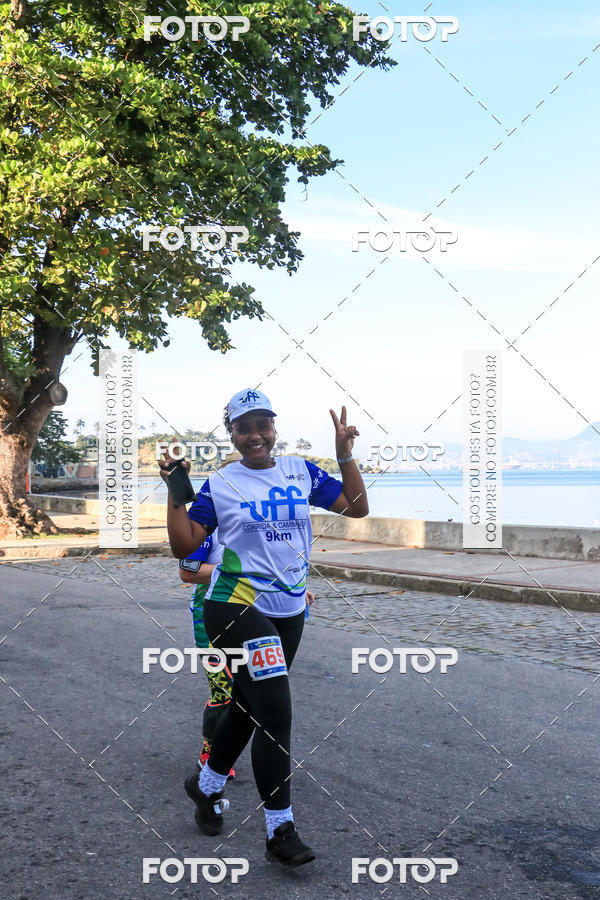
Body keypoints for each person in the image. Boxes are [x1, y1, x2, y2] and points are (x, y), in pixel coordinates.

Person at [160, 389, 368, 868]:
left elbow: (355, 507)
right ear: (231, 434)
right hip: (234, 605)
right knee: (276, 712)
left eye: (263, 425)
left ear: (274, 428)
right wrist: (175, 492)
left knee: (249, 705)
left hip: (289, 608)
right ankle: (280, 830)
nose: (255, 435)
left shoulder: (300, 471)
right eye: (244, 427)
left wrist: (344, 455)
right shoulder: (221, 483)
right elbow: (185, 548)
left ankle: (206, 785)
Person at [179, 530, 316, 774]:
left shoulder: (254, 519)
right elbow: (188, 573)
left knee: (248, 695)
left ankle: (229, 759)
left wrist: (292, 590)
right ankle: (210, 752)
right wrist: (236, 572)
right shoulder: (206, 523)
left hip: (255, 618)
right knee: (223, 690)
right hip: (211, 617)